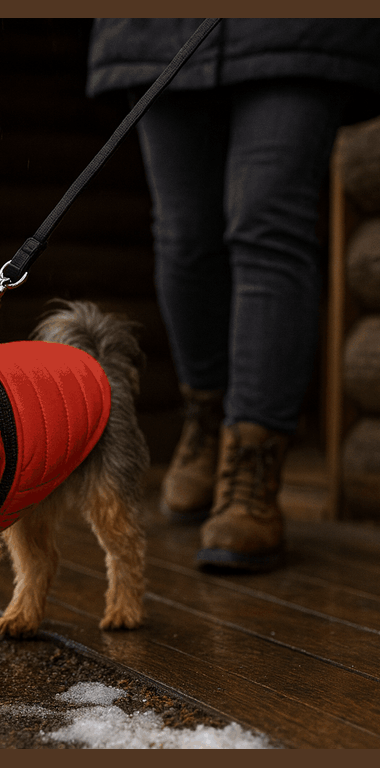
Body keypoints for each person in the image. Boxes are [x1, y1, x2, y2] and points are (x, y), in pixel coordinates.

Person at [86, 19, 380, 571]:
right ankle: (206, 416)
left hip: (298, 30)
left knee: (268, 220)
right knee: (184, 234)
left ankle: (253, 465)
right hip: (158, 29)